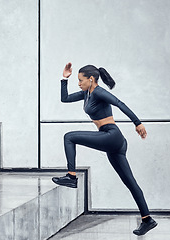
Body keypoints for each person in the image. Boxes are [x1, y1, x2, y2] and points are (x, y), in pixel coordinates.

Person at [52, 63, 157, 236]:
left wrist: (137, 123)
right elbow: (65, 99)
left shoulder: (99, 92)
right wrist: (64, 79)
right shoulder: (87, 94)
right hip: (113, 141)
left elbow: (119, 103)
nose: (78, 83)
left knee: (69, 137)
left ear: (91, 79)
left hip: (111, 135)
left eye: (80, 80)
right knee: (130, 182)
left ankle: (71, 177)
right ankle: (147, 219)